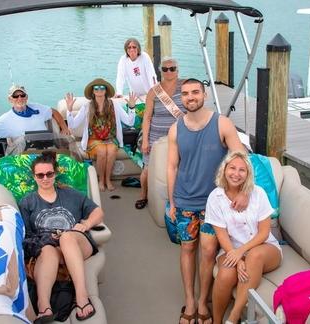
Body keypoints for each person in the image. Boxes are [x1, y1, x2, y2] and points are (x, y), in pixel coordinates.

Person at [166, 78, 248, 324]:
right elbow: (172, 166)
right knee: (187, 248)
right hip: (185, 200)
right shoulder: (175, 129)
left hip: (215, 204)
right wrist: (171, 202)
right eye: (186, 94)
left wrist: (244, 191)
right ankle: (190, 300)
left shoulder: (222, 124)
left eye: (195, 92)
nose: (190, 97)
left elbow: (241, 159)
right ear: (181, 98)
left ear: (204, 95)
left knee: (209, 250)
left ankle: (204, 300)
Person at [19, 151, 104, 323]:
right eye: (40, 175)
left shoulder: (71, 195)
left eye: (49, 174)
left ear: (55, 174)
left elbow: (98, 212)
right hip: (49, 250)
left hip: (77, 244)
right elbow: (26, 236)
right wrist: (47, 241)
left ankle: (82, 297)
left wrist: (85, 225)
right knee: (48, 250)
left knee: (67, 238)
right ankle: (44, 307)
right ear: (34, 176)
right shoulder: (27, 203)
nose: (45, 178)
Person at [205, 151, 282, 324]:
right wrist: (239, 259)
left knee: (254, 256)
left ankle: (233, 318)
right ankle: (217, 321)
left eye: (242, 170)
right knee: (225, 274)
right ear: (224, 169)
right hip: (231, 248)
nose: (236, 173)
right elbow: (222, 235)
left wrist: (242, 252)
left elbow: (263, 233)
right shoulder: (215, 198)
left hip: (265, 247)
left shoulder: (258, 193)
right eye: (232, 168)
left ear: (248, 174)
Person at [65, 78, 137, 192]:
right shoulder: (87, 106)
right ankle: (101, 180)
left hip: (111, 138)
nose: (99, 90)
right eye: (96, 88)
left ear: (106, 91)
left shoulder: (114, 104)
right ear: (93, 91)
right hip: (93, 138)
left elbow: (129, 122)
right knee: (102, 151)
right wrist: (69, 109)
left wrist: (132, 107)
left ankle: (108, 180)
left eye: (102, 88)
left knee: (112, 150)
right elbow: (73, 125)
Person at [135, 57, 186, 209]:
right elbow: (147, 117)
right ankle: (143, 196)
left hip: (180, 136)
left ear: (177, 70)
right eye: (165, 69)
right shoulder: (154, 91)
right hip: (155, 137)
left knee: (180, 167)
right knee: (147, 169)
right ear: (160, 71)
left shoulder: (185, 86)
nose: (169, 71)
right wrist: (145, 141)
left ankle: (177, 197)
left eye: (172, 68)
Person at [0, 84, 71, 155]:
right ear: (10, 99)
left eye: (22, 95)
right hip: (23, 156)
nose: (19, 98)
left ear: (26, 97)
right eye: (15, 96)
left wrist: (64, 128)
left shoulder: (38, 108)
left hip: (46, 152)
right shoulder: (5, 119)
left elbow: (54, 112)